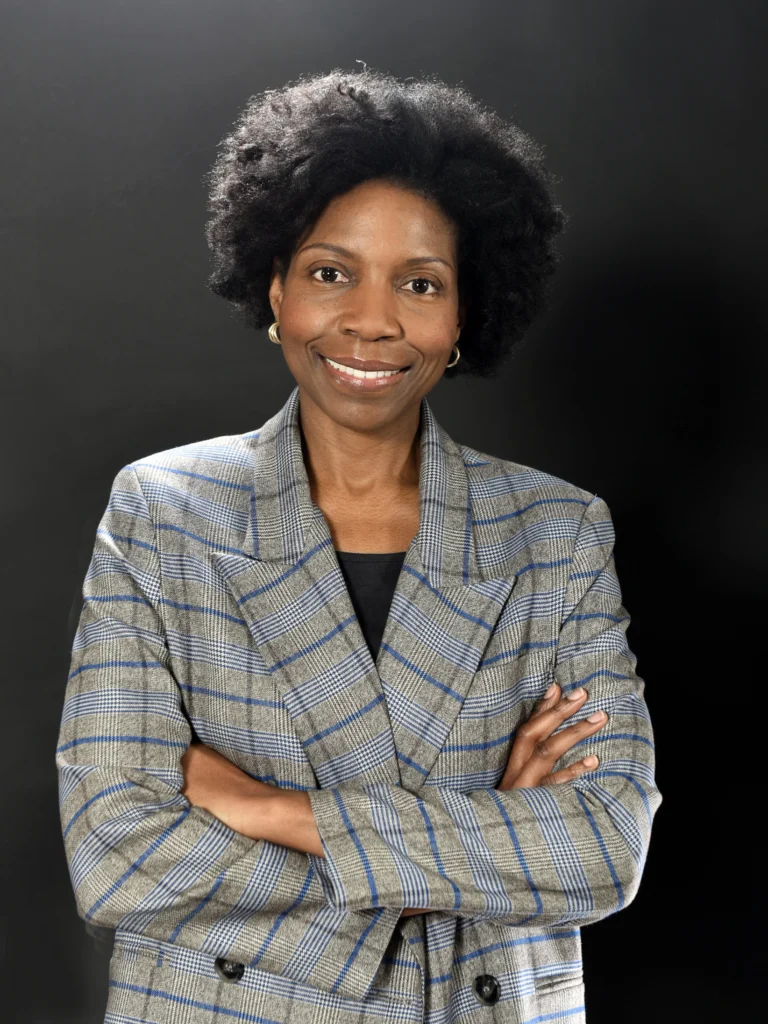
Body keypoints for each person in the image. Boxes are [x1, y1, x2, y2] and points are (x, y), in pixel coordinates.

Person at [55, 67, 661, 1024]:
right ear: (276, 288)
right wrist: (481, 850)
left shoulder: (557, 532)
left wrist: (273, 811)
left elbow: (603, 849)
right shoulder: (163, 514)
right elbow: (115, 853)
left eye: (419, 283)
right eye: (331, 272)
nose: (372, 321)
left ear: (462, 318)